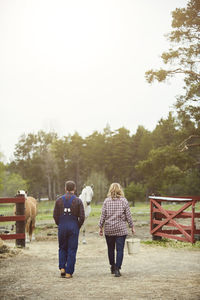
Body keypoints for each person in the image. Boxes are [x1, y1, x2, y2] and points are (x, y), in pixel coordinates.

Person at [99, 183, 135, 277]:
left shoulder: (106, 201)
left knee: (110, 249)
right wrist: (132, 226)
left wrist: (100, 227)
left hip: (109, 229)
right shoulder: (124, 201)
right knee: (120, 250)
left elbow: (103, 215)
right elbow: (128, 215)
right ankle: (117, 269)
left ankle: (112, 266)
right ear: (120, 190)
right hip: (121, 229)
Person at [53, 180, 85, 278]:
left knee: (62, 247)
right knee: (72, 249)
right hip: (73, 226)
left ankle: (62, 267)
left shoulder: (58, 200)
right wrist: (77, 226)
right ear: (74, 189)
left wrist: (60, 224)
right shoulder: (78, 201)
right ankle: (68, 272)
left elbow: (55, 216)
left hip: (62, 226)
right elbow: (82, 217)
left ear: (65, 188)